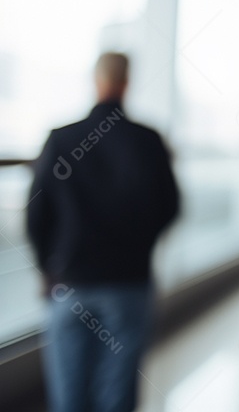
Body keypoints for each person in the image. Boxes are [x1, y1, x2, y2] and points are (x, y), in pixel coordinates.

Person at [27, 52, 180, 412]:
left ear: (96, 81)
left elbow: (36, 214)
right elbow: (169, 207)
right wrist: (141, 247)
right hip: (128, 282)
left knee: (69, 395)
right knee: (118, 393)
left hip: (68, 281)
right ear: (127, 83)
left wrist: (46, 266)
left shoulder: (61, 139)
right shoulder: (149, 141)